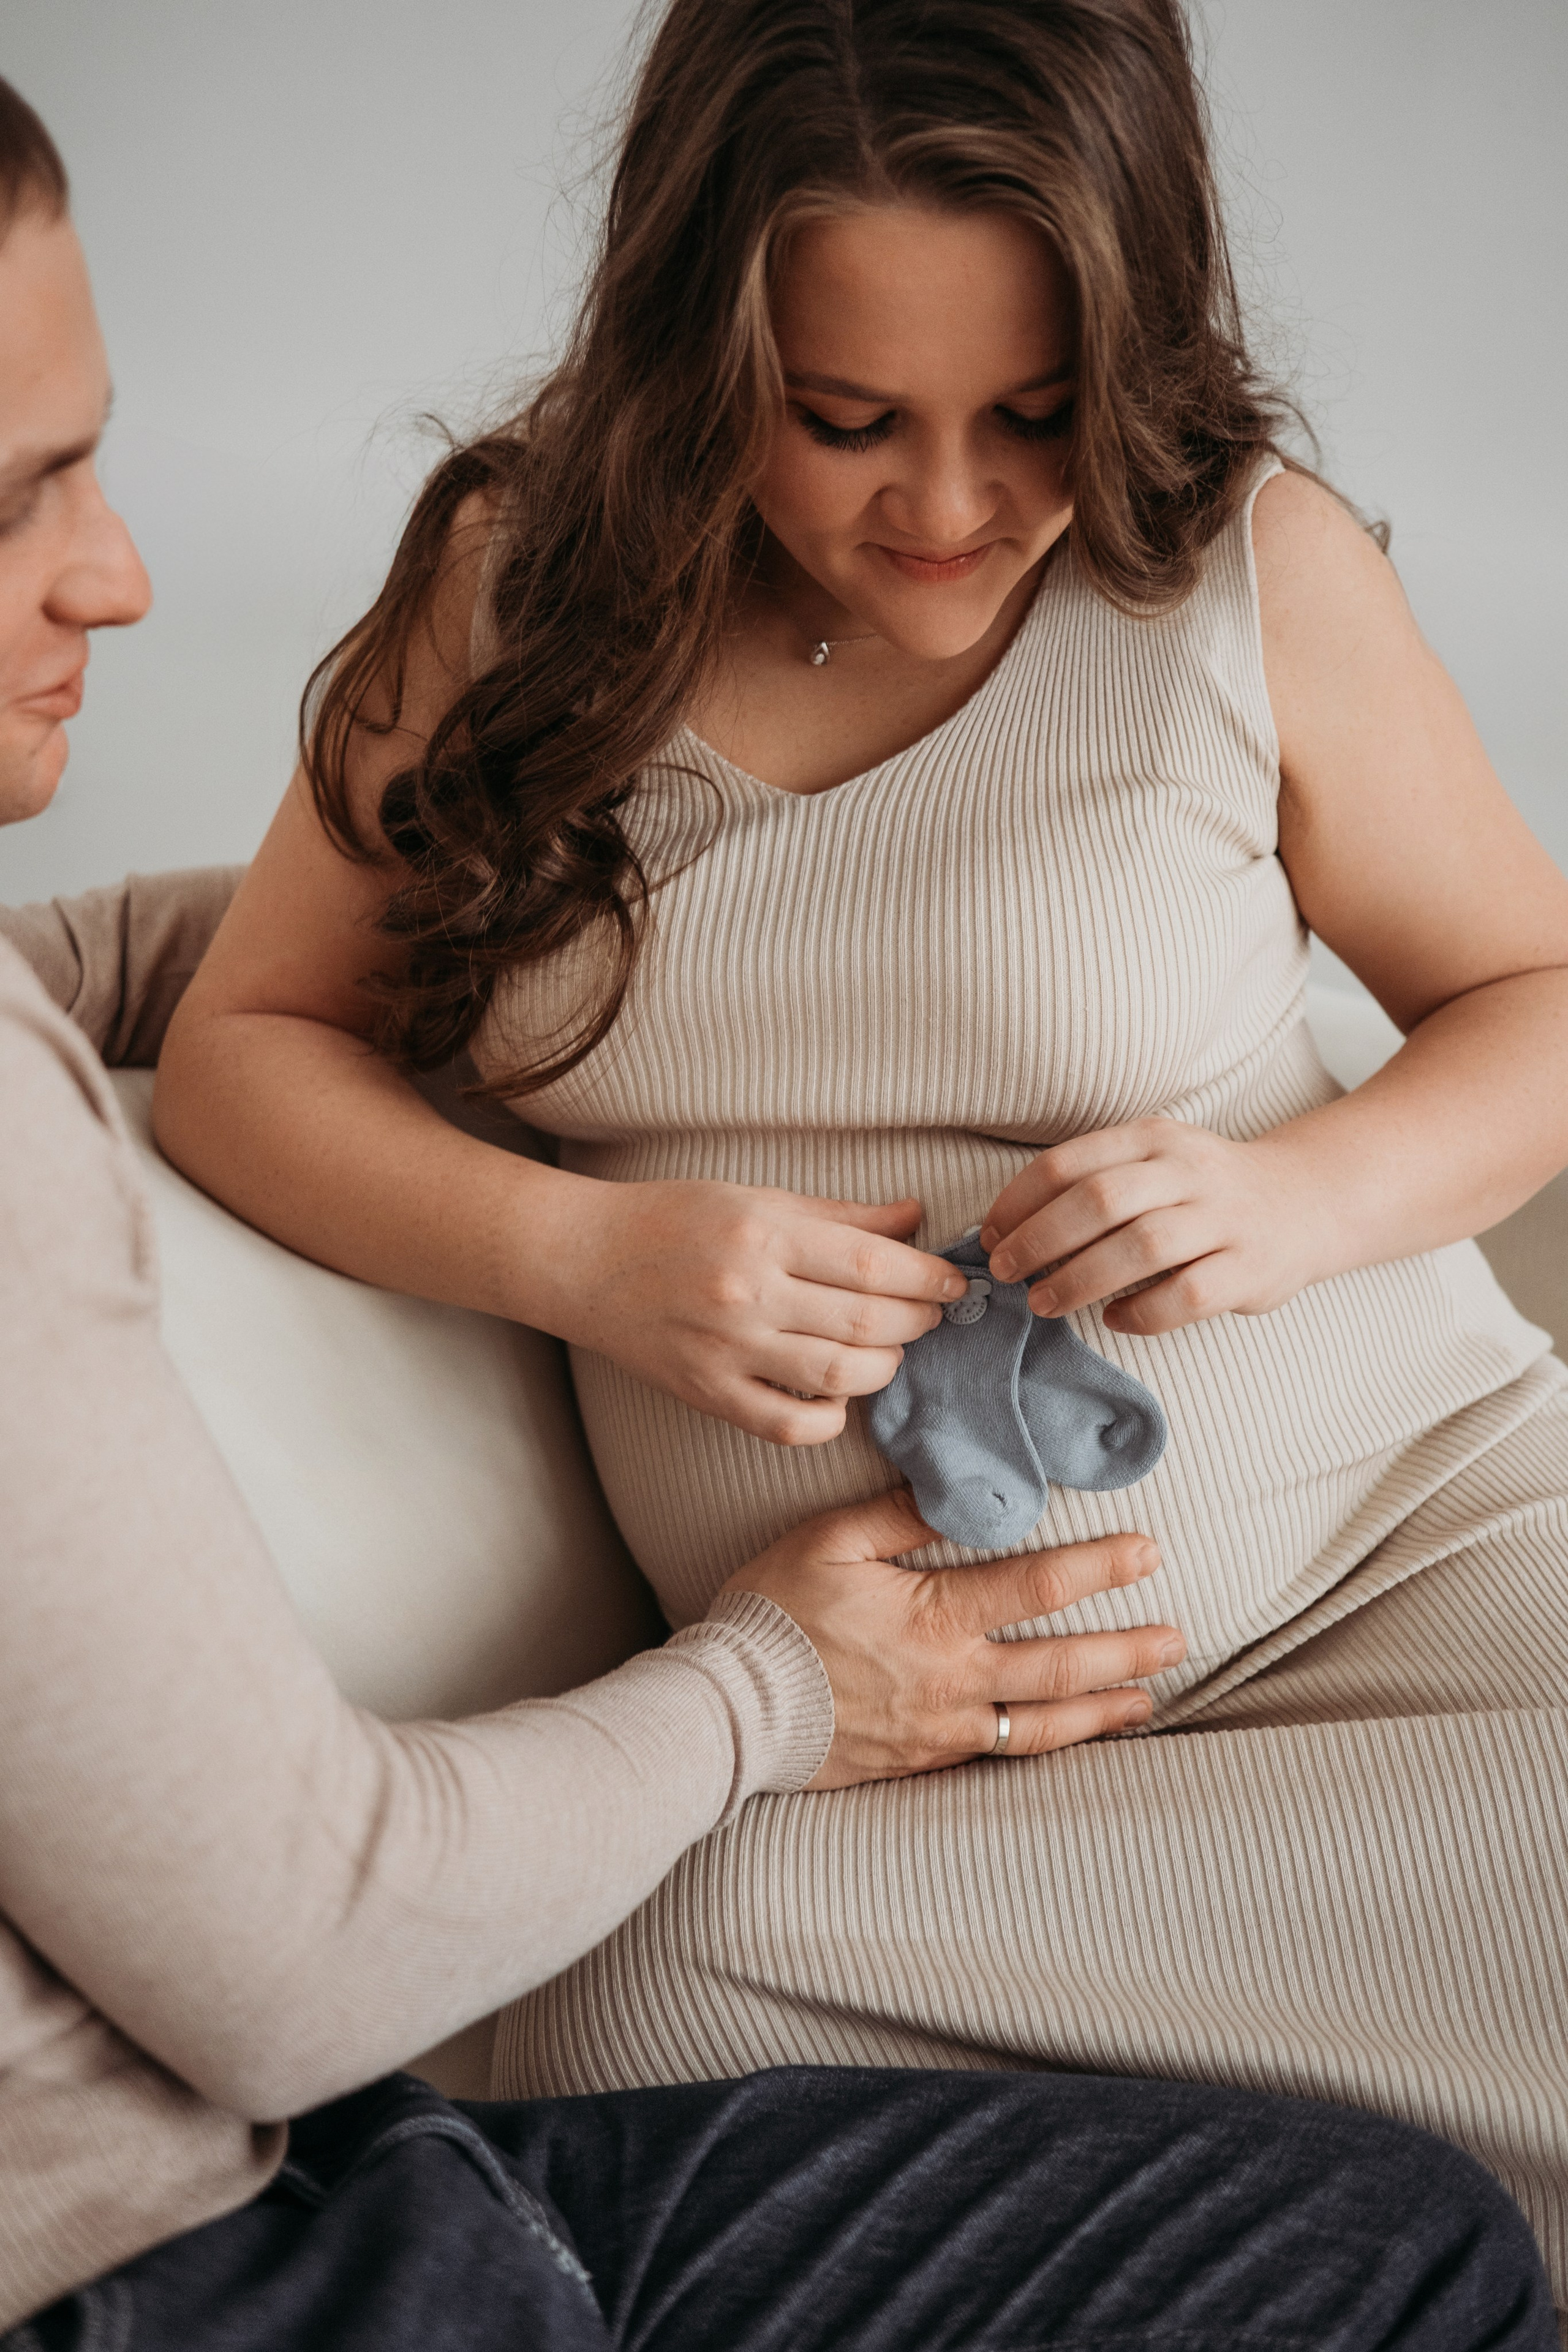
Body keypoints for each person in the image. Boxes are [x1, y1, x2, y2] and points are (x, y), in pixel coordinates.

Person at [6, 68, 1550, 2352]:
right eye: (845, 419)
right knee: (611, 2009)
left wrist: (1304, 1196)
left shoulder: (1248, 574)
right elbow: (249, 1049)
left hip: (1403, 1602)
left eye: (1038, 409)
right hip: (886, 1790)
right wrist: (579, 1256)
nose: (951, 507)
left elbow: (1533, 994)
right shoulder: (516, 598)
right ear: (696, 359)